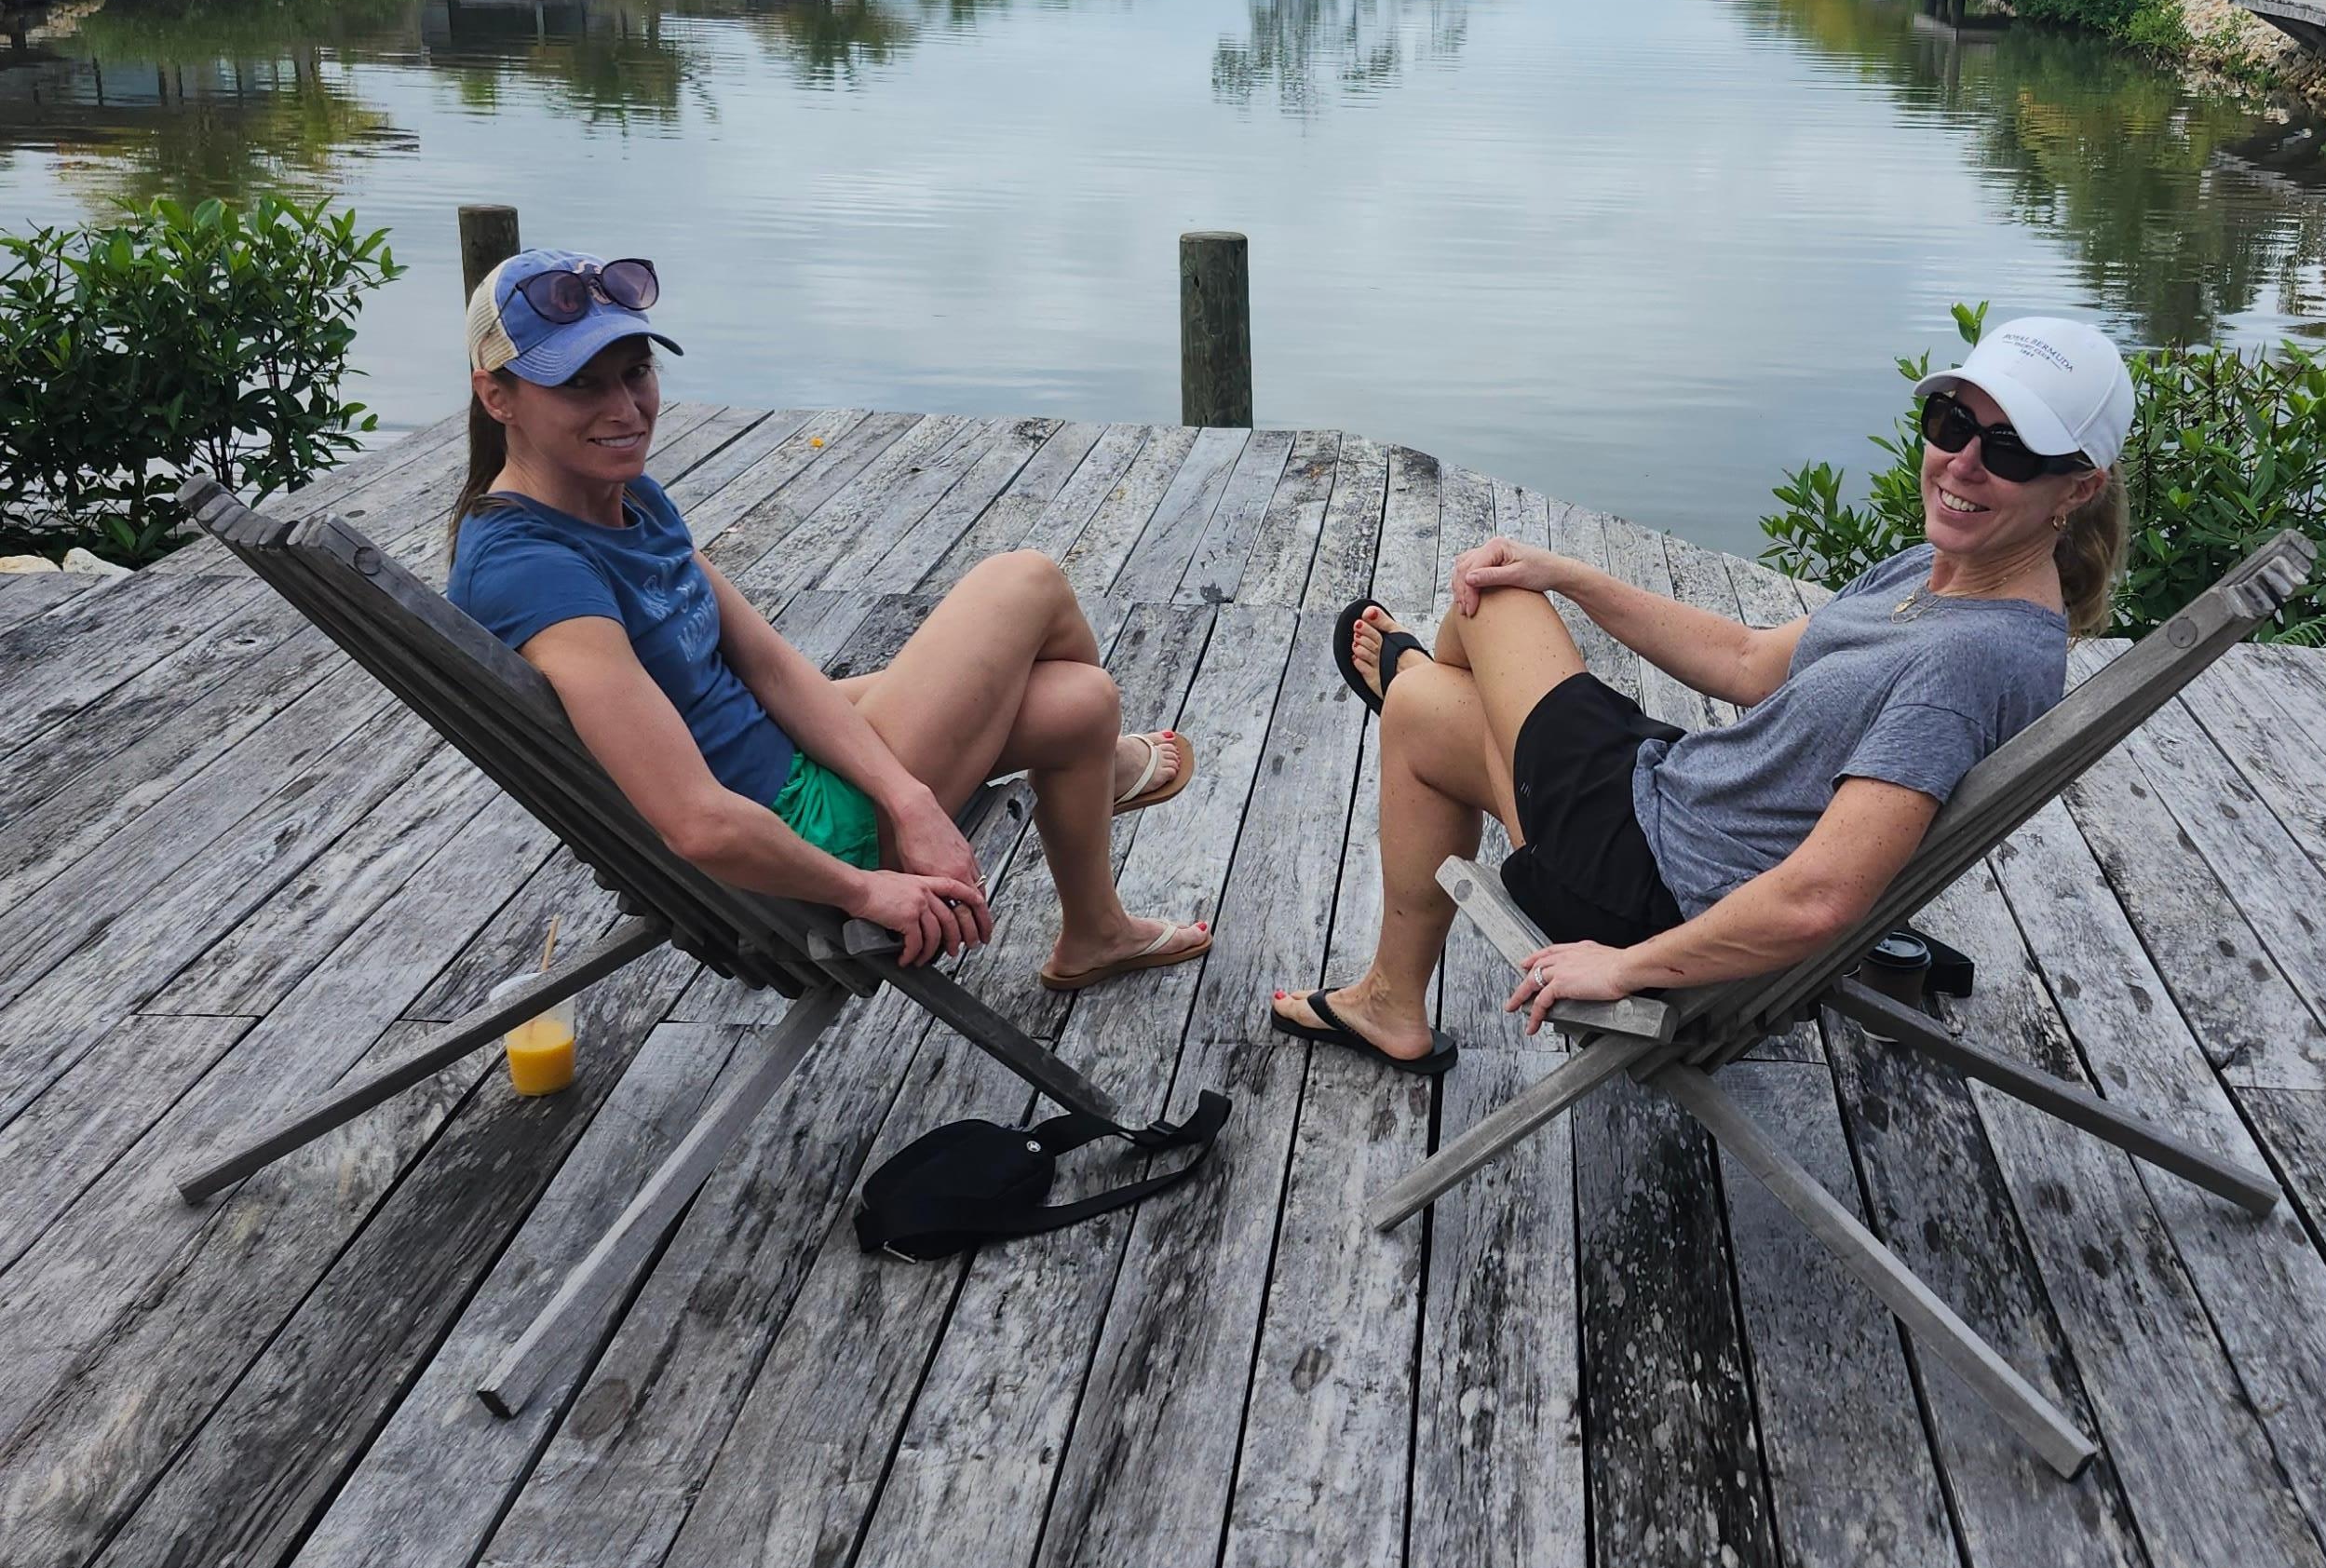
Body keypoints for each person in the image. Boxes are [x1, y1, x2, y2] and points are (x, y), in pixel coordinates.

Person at [1273, 315, 2133, 1069]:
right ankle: (1390, 994)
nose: (1964, 462)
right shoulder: (1944, 570)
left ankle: (1418, 675)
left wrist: (1621, 969)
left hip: (1645, 890)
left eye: (2013, 450)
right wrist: (1572, 574)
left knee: (1494, 599)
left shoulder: (1971, 660)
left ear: (2080, 487)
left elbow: (1821, 897)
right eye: (1952, 422)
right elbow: (1751, 662)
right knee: (1436, 704)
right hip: (1677, 798)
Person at [446, 249, 1210, 992]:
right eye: (580, 386)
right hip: (799, 830)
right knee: (1025, 580)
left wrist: (910, 799)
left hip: (771, 756)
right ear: (497, 397)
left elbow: (768, 666)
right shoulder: (532, 570)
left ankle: (1096, 930)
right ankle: (1098, 779)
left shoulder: (623, 494)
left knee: (1082, 703)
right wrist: (865, 890)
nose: (623, 409)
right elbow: (698, 824)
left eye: (635, 373)